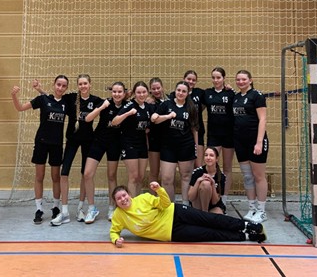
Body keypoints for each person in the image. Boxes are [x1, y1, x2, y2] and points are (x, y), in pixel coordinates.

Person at [110, 181, 266, 246]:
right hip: (172, 233)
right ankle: (245, 236)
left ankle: (246, 225)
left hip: (175, 212)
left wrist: (159, 190)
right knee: (207, 234)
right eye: (119, 199)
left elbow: (165, 204)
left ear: (129, 194)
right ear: (116, 203)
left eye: (124, 195)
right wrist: (116, 239)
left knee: (209, 219)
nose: (123, 199)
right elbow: (114, 231)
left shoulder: (143, 198)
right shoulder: (119, 216)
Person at [11, 75, 72, 225]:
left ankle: (56, 207)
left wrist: (40, 89)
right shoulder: (43, 99)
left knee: (56, 177)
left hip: (57, 144)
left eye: (63, 86)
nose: (60, 88)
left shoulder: (66, 102)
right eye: (58, 84)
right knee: (39, 176)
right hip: (41, 143)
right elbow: (20, 108)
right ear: (54, 84)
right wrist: (14, 95)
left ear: (66, 88)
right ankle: (39, 209)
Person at [48, 74, 102, 226]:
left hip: (88, 141)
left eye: (85, 83)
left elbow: (113, 102)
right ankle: (64, 211)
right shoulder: (71, 98)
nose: (83, 86)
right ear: (78, 86)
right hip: (72, 140)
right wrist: (40, 90)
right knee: (64, 173)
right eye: (80, 84)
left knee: (85, 175)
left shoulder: (95, 100)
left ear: (90, 84)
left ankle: (80, 208)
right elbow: (54, 98)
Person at [82, 81, 128, 222]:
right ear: (111, 92)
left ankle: (112, 208)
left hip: (115, 144)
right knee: (87, 174)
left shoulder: (127, 106)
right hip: (99, 141)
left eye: (119, 92)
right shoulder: (105, 103)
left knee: (111, 176)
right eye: (114, 91)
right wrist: (101, 107)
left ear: (124, 93)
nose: (116, 94)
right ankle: (91, 208)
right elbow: (87, 118)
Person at [150, 80, 197, 203]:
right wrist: (168, 116)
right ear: (175, 91)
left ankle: (185, 205)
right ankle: (170, 206)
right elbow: (155, 119)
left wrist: (196, 147)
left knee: (186, 176)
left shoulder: (191, 107)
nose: (180, 93)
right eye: (178, 90)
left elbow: (194, 129)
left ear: (187, 93)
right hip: (168, 147)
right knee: (166, 179)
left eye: (184, 91)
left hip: (186, 146)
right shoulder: (166, 104)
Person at [232, 69, 269, 223]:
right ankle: (252, 208)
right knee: (247, 176)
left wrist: (259, 142)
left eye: (244, 79)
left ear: (250, 80)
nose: (241, 82)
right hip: (240, 141)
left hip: (255, 141)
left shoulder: (257, 96)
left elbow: (263, 119)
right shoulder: (235, 97)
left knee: (258, 176)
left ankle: (261, 211)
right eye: (238, 79)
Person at [112, 81, 155, 196]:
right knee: (133, 177)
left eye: (144, 92)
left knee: (140, 177)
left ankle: (137, 201)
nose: (141, 95)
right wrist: (128, 114)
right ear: (134, 93)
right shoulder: (130, 105)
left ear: (147, 92)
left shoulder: (148, 107)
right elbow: (114, 121)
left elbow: (151, 122)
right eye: (138, 92)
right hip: (129, 144)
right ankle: (131, 204)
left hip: (142, 144)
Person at [202, 66, 235, 203]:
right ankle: (211, 197)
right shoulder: (207, 93)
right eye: (213, 77)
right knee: (211, 166)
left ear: (224, 78)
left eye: (218, 77)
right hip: (213, 134)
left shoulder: (230, 93)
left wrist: (232, 89)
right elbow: (196, 107)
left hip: (228, 135)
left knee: (227, 167)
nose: (216, 80)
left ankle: (224, 199)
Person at [188, 146, 226, 214]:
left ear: (217, 159)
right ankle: (204, 214)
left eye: (211, 155)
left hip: (212, 206)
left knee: (219, 216)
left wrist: (213, 183)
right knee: (206, 184)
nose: (208, 158)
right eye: (206, 155)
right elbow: (190, 198)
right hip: (198, 204)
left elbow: (215, 202)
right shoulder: (197, 172)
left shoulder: (221, 176)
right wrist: (198, 181)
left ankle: (205, 216)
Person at [146, 77, 168, 187]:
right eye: (153, 89)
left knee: (166, 174)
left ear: (162, 87)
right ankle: (152, 196)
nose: (156, 91)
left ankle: (164, 196)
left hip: (167, 140)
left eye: (158, 88)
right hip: (154, 139)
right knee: (154, 172)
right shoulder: (148, 102)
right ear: (150, 90)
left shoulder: (169, 100)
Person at [182, 70, 206, 167]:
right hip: (183, 133)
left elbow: (212, 100)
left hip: (198, 131)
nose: (191, 81)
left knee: (198, 165)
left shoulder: (200, 93)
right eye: (188, 79)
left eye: (193, 80)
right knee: (187, 166)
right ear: (184, 79)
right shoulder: (176, 93)